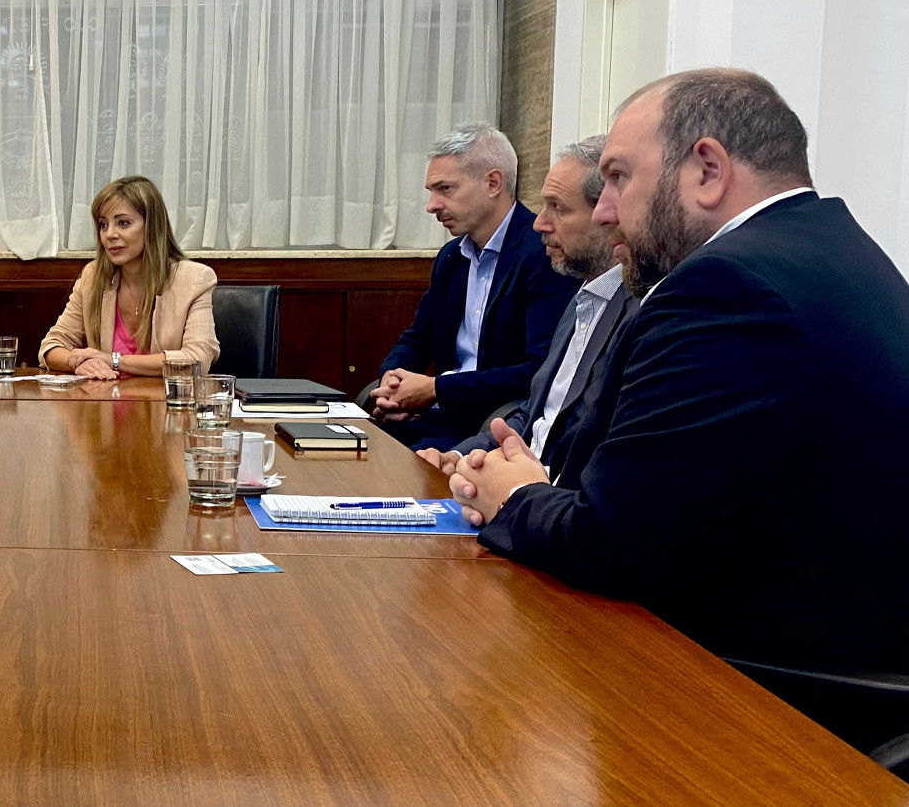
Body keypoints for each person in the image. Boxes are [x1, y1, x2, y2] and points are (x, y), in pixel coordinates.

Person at [435, 68, 909, 746]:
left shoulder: (728, 290)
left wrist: (516, 493)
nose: (603, 211)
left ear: (707, 170)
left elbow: (610, 545)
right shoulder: (836, 250)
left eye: (620, 178)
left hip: (756, 710)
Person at [372, 126, 577, 449]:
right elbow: (417, 338)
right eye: (431, 191)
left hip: (488, 429)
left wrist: (436, 390)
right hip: (435, 418)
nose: (431, 205)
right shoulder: (452, 257)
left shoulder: (544, 254)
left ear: (493, 183)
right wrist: (392, 381)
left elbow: (539, 372)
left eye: (445, 189)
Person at [439, 135, 635, 470]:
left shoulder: (637, 313)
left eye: (558, 208)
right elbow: (536, 414)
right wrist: (459, 456)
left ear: (608, 216)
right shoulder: (582, 300)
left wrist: (516, 485)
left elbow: (587, 447)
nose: (539, 223)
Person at [40, 176, 218, 379]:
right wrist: (77, 362)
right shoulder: (93, 277)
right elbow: (52, 346)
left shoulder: (193, 280)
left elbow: (196, 360)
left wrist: (114, 361)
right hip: (104, 405)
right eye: (103, 225)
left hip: (165, 406)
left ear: (151, 226)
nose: (110, 234)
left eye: (123, 223)